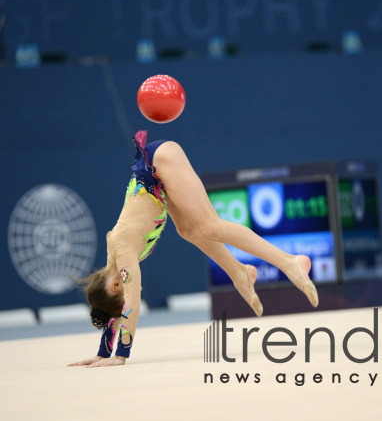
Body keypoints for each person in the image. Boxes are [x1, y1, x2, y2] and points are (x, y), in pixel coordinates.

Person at [68, 131, 318, 368]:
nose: (136, 290)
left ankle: (290, 262)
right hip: (155, 176)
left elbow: (130, 302)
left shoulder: (122, 256)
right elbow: (119, 306)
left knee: (211, 226)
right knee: (188, 230)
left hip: (158, 162)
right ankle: (240, 273)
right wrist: (102, 353)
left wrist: (120, 355)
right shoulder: (116, 257)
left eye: (119, 296)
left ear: (114, 286)